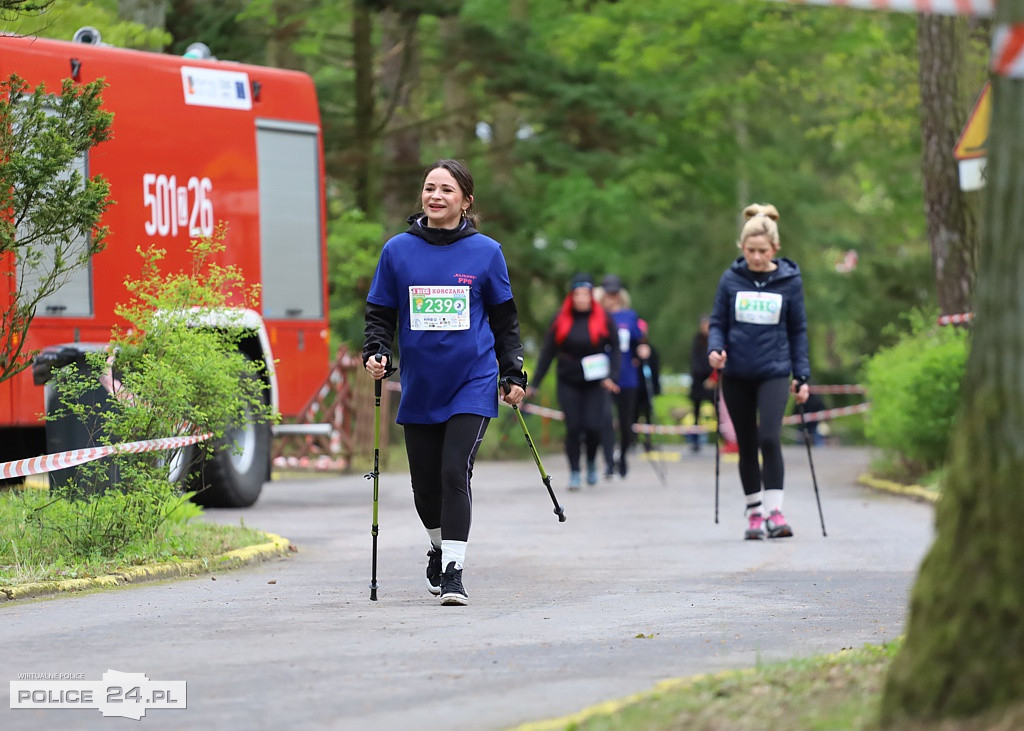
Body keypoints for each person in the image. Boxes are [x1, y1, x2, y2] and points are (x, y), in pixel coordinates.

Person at [363, 159, 527, 606]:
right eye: (430, 188)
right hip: (422, 383)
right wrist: (376, 352)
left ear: (466, 201)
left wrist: (512, 369)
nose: (436, 196)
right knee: (425, 486)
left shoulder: (486, 253)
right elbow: (380, 313)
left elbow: (505, 320)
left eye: (447, 190)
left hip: (472, 380)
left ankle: (454, 570)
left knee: (456, 471)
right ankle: (437, 546)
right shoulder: (397, 251)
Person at [707, 203, 810, 541]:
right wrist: (715, 349)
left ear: (775, 249)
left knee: (769, 436)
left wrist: (802, 375)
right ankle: (754, 514)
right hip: (736, 372)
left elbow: (798, 330)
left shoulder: (789, 280)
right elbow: (719, 322)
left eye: (762, 251)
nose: (755, 257)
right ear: (742, 249)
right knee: (746, 443)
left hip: (775, 371)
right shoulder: (731, 278)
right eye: (750, 250)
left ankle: (775, 512)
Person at [529, 273, 620, 490]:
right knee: (573, 427)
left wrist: (611, 377)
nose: (581, 299)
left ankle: (590, 461)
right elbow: (547, 353)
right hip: (568, 379)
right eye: (577, 294)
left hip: (594, 382)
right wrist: (534, 383)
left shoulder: (604, 318)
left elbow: (616, 349)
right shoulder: (560, 318)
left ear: (591, 296)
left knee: (592, 427)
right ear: (572, 297)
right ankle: (575, 471)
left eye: (585, 294)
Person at [596, 275, 650, 478]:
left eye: (614, 293)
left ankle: (623, 456)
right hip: (603, 376)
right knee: (605, 420)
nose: (611, 297)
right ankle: (609, 462)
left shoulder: (629, 316)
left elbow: (640, 341)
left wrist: (643, 350)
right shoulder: (597, 317)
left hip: (627, 377)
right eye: (607, 293)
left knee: (627, 423)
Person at [688, 315, 715, 453]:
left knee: (718, 409)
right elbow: (694, 362)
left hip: (711, 381)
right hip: (699, 381)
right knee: (696, 412)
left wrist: (712, 377)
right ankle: (695, 441)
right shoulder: (697, 341)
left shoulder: (714, 341)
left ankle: (722, 439)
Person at [634, 318, 661, 451]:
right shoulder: (632, 350)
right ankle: (632, 439)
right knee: (634, 413)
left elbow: (656, 369)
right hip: (635, 387)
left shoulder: (652, 350)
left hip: (647, 387)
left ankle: (648, 440)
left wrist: (656, 386)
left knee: (648, 414)